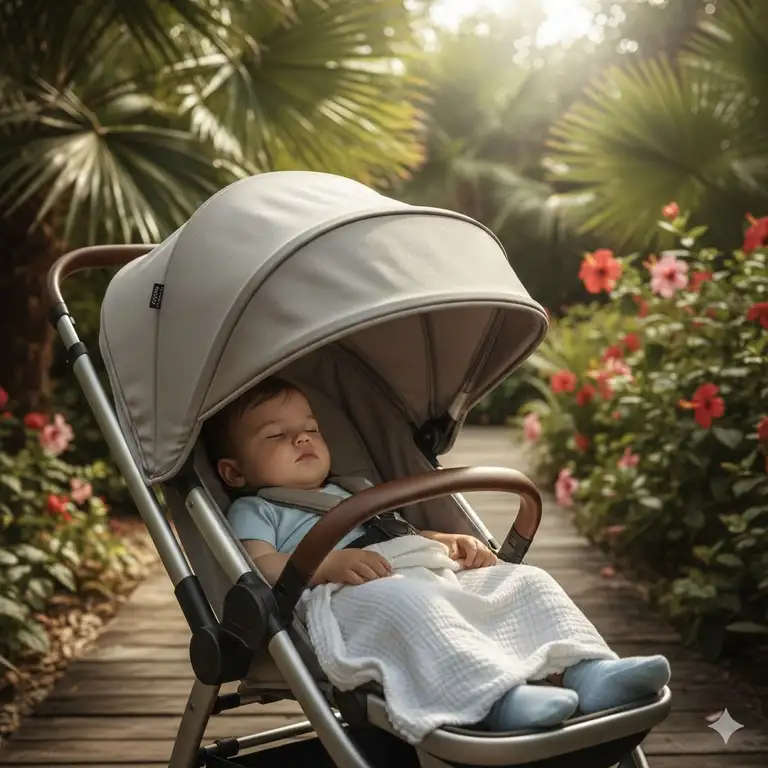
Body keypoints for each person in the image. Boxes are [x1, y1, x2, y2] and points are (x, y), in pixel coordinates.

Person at [203, 377, 670, 732]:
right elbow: (258, 566)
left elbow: (392, 533)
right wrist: (322, 565)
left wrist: (442, 542)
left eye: (309, 428)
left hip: (412, 568)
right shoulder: (257, 508)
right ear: (234, 472)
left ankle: (589, 671)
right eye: (276, 436)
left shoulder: (351, 490)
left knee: (523, 581)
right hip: (343, 596)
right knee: (415, 605)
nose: (302, 439)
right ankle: (495, 702)